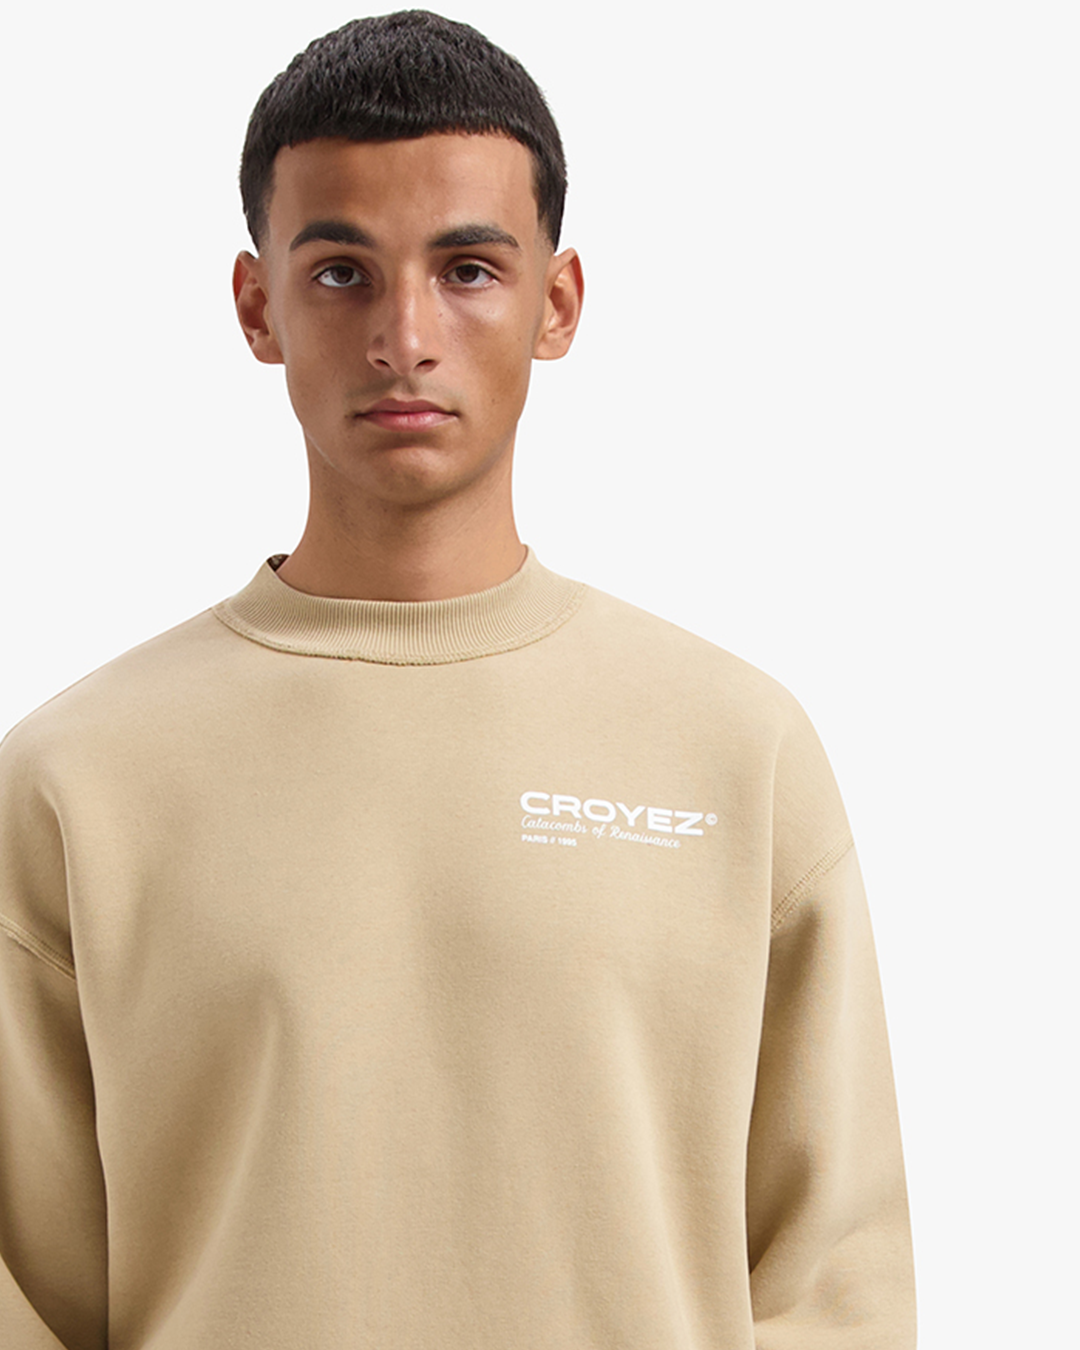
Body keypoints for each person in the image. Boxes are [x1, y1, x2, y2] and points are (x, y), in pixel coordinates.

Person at [0, 11, 916, 1348]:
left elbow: (839, 1282)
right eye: (341, 273)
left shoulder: (735, 747)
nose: (405, 335)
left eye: (469, 268)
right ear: (256, 307)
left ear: (559, 303)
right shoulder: (75, 779)